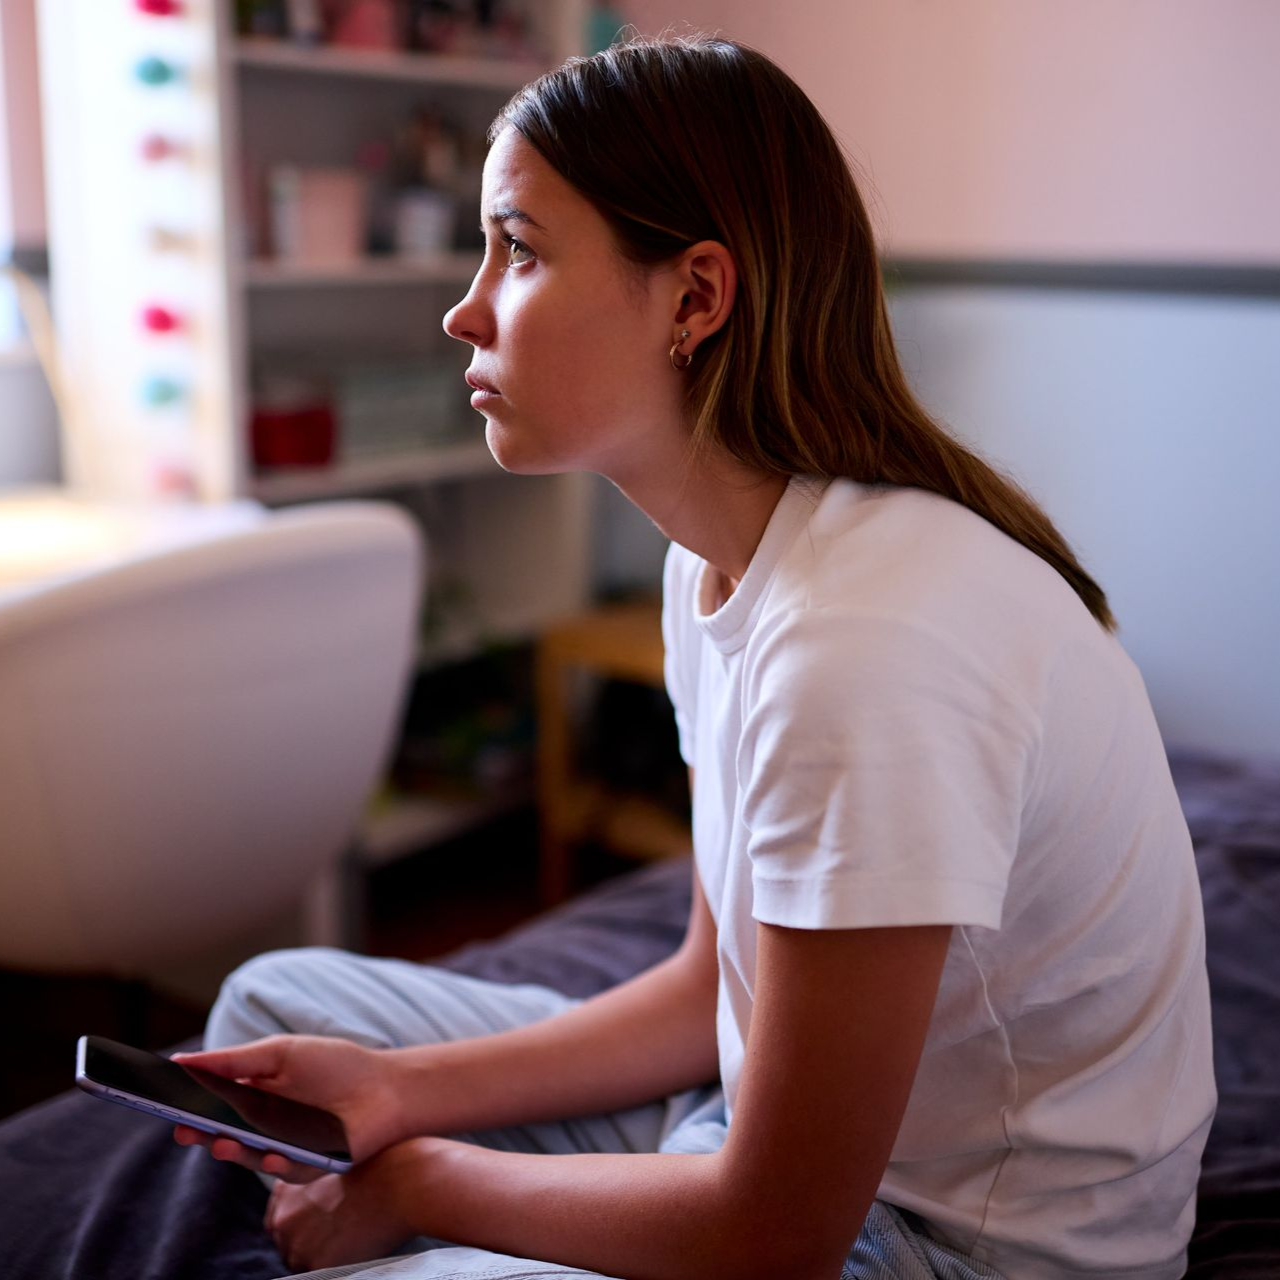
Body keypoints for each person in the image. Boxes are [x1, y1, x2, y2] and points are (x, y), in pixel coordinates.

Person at [173, 33, 1216, 1280]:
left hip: (953, 1246)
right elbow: (700, 996)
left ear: (695, 298)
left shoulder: (861, 649)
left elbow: (773, 1234)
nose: (463, 306)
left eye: (519, 248)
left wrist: (422, 1179)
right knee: (273, 1017)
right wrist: (397, 1087)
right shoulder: (714, 559)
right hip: (761, 1140)